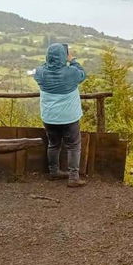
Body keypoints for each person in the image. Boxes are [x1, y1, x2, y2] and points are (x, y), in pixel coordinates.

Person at [33, 43, 87, 188]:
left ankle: (54, 172)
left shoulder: (40, 73)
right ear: (64, 56)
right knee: (74, 146)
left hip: (49, 117)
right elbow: (82, 74)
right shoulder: (71, 73)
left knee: (53, 144)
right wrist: (72, 60)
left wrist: (51, 61)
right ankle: (73, 177)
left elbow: (42, 67)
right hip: (70, 117)